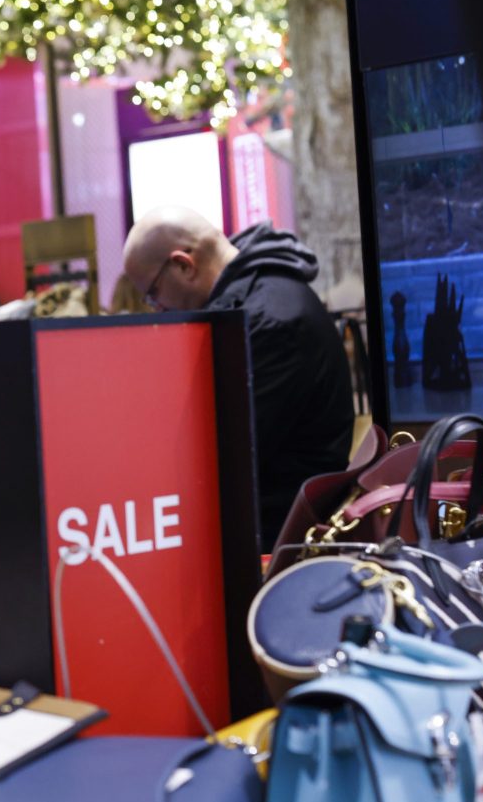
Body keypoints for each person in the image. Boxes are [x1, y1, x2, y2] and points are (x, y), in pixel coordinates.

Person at [122, 207, 353, 547]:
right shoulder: (257, 301)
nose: (156, 308)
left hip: (276, 538)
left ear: (184, 265)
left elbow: (225, 455)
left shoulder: (269, 321)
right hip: (268, 519)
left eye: (152, 293)